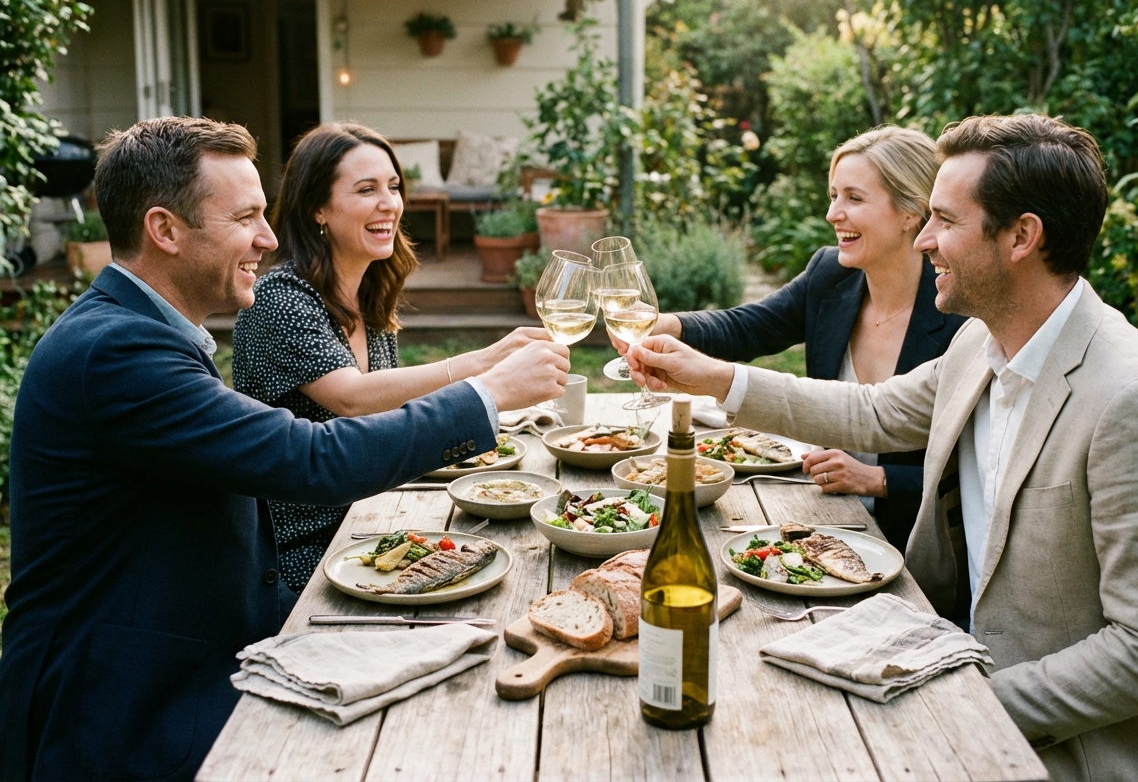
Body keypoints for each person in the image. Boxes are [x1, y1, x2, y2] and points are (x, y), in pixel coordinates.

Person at [625, 113, 1138, 781]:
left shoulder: (1133, 400)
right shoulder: (980, 343)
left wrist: (966, 705)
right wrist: (714, 377)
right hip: (948, 657)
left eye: (945, 221)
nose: (924, 240)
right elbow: (873, 411)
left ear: (1022, 236)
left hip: (1064, 746)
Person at [0, 117, 569, 782]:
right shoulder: (118, 352)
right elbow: (310, 459)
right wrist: (485, 396)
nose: (269, 240)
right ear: (165, 229)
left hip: (186, 656)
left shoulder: (138, 332)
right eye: (246, 218)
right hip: (116, 709)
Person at [233, 123, 552, 592]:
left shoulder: (368, 292)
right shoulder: (281, 298)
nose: (390, 203)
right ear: (317, 208)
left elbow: (391, 408)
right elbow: (353, 399)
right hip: (297, 555)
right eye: (366, 189)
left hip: (369, 524)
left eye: (394, 186)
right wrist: (485, 365)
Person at [613, 126, 966, 549]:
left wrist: (882, 479)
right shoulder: (830, 275)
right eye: (834, 195)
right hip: (824, 516)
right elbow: (750, 326)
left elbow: (976, 464)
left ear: (911, 213)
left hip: (914, 543)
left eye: (854, 198)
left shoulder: (959, 309)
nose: (833, 214)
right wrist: (673, 325)